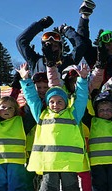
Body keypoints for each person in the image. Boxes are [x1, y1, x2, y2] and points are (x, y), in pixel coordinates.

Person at [19, 62, 90, 191]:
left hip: (69, 162)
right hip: (49, 161)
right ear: (47, 102)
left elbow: (81, 98)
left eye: (59, 101)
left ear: (65, 102)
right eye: (51, 101)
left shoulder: (73, 114)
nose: (55, 104)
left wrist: (82, 80)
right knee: (48, 187)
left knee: (71, 187)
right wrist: (26, 80)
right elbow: (32, 99)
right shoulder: (41, 114)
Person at [79, 91, 112, 191]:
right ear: (96, 110)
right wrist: (84, 95)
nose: (105, 112)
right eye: (101, 109)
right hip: (97, 164)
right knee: (98, 187)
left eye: (109, 109)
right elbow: (82, 110)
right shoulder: (91, 121)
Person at [16, 16, 88, 74]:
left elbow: (80, 46)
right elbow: (21, 41)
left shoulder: (69, 61)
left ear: (60, 48)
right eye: (48, 45)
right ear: (43, 48)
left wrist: (66, 30)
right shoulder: (35, 61)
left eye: (55, 46)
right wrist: (40, 25)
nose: (52, 48)